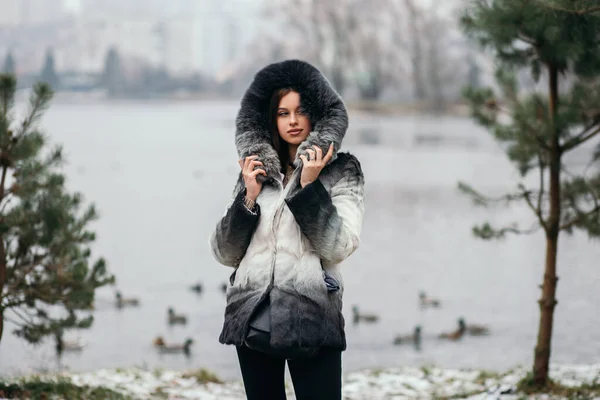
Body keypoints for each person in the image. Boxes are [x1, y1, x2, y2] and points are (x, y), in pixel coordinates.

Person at [209, 59, 365, 400]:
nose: (292, 121)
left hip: (311, 320)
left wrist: (309, 186)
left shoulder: (342, 171)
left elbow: (339, 247)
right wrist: (248, 198)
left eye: (300, 111)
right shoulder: (254, 173)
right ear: (270, 118)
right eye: (282, 113)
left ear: (318, 114)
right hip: (251, 319)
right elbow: (224, 253)